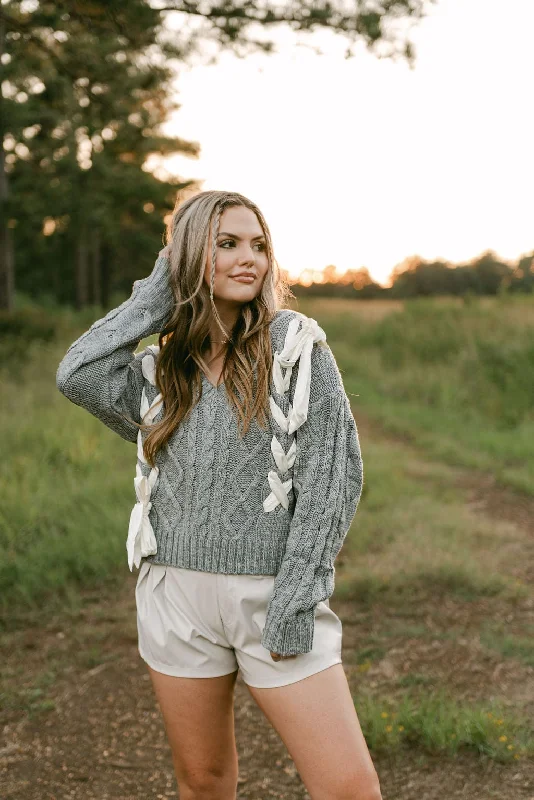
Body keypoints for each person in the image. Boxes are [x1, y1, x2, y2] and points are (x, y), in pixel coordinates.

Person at [56, 190, 382, 800]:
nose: (248, 259)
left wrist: (295, 595)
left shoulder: (296, 349)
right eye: (226, 245)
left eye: (258, 246)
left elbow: (331, 481)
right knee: (203, 782)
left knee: (348, 789)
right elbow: (77, 373)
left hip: (271, 594)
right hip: (174, 595)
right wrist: (158, 296)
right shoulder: (163, 367)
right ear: (185, 258)